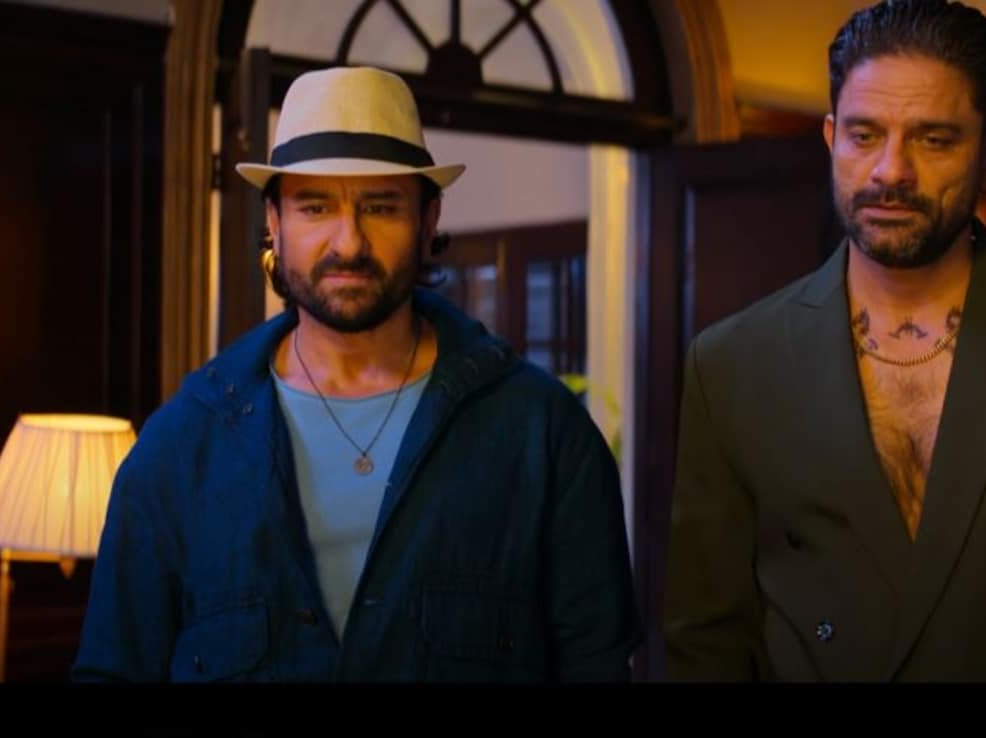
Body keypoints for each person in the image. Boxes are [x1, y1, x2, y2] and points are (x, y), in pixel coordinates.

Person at [73, 65, 639, 682]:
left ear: (428, 221)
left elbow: (598, 668)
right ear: (274, 221)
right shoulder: (182, 445)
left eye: (380, 206)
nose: (348, 242)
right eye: (315, 206)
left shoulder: (542, 434)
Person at [661, 0, 986, 681]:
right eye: (864, 135)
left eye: (933, 139)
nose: (890, 171)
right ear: (831, 138)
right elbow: (706, 640)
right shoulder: (732, 361)